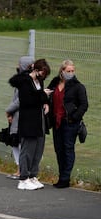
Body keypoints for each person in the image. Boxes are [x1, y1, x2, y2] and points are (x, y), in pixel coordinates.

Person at [9, 58, 51, 190]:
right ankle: (23, 178)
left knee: (38, 148)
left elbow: (39, 98)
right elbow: (27, 100)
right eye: (42, 73)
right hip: (28, 120)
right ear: (36, 70)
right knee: (27, 149)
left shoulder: (40, 81)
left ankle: (33, 175)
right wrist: (42, 95)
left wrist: (45, 101)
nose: (43, 77)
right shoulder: (26, 81)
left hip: (39, 120)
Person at [47, 59, 88, 188]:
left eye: (72, 71)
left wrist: (74, 117)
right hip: (57, 122)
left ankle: (65, 178)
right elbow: (47, 97)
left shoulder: (78, 86)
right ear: (62, 71)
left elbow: (84, 105)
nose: (70, 73)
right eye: (68, 71)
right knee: (59, 149)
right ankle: (61, 176)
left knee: (68, 149)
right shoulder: (54, 84)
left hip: (70, 123)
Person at [5, 56, 34, 179]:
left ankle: (21, 169)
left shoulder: (24, 81)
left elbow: (18, 100)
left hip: (20, 116)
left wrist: (8, 111)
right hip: (18, 115)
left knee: (19, 142)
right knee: (16, 142)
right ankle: (20, 168)